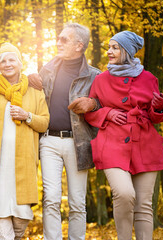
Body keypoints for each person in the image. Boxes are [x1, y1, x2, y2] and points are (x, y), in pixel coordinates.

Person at [84, 31, 163, 239]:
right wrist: (108, 113)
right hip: (111, 143)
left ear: (127, 51)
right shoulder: (101, 80)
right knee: (124, 193)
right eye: (109, 47)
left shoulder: (149, 78)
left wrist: (159, 107)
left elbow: (156, 116)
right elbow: (88, 111)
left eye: (115, 47)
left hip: (145, 144)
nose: (109, 51)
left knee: (144, 204)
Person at [28, 22, 101, 240]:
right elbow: (34, 102)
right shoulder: (47, 70)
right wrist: (30, 82)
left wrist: (94, 104)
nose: (58, 42)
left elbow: (105, 106)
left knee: (77, 201)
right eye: (58, 38)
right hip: (49, 140)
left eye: (64, 39)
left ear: (79, 45)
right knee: (50, 197)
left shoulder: (95, 76)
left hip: (79, 144)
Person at [0, 43, 49, 240]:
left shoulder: (34, 92)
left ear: (20, 63)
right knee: (0, 210)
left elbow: (44, 123)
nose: (7, 64)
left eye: (11, 59)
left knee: (21, 217)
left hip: (23, 163)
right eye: (3, 61)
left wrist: (27, 115)